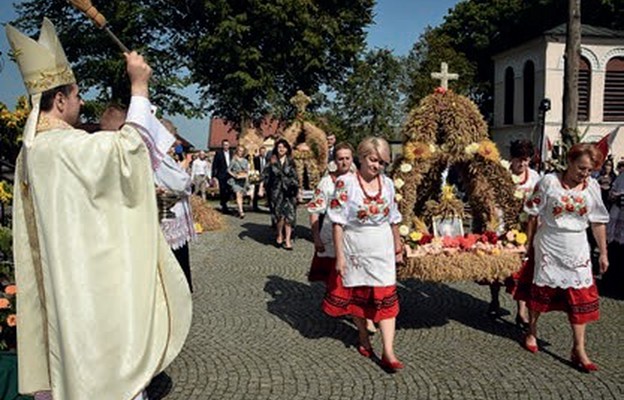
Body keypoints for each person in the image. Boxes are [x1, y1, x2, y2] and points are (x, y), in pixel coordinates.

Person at [6, 18, 191, 400]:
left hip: (65, 290)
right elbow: (127, 151)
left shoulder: (36, 151)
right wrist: (139, 86)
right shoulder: (62, 148)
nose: (82, 102)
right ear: (59, 100)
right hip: (85, 298)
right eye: (76, 96)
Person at [522, 143, 609, 372]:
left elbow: (598, 221)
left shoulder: (592, 187)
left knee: (579, 296)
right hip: (550, 241)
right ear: (569, 162)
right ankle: (532, 330)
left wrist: (603, 253)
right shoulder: (549, 182)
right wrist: (528, 244)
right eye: (581, 168)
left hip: (578, 244)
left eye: (589, 170)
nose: (585, 174)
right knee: (542, 290)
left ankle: (578, 348)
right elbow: (531, 214)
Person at [323, 137, 404, 372]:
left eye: (381, 162)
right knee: (358, 295)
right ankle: (363, 336)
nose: (377, 166)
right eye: (373, 160)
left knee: (386, 296)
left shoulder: (387, 184)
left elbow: (394, 217)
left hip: (381, 247)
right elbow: (337, 222)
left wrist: (397, 246)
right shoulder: (345, 183)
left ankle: (388, 351)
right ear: (362, 157)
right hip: (355, 247)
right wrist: (339, 257)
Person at [495, 140, 540, 325]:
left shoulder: (535, 177)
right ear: (511, 159)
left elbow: (538, 201)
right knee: (498, 268)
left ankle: (521, 311)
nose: (522, 164)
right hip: (503, 225)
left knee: (523, 269)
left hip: (524, 227)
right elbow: (495, 200)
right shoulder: (502, 175)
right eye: (519, 160)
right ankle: (494, 299)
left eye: (526, 160)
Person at [155, 119, 197, 292]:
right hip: (169, 213)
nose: (173, 144)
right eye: (171, 137)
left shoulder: (163, 155)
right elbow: (180, 183)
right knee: (175, 262)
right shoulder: (159, 157)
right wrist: (186, 177)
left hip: (173, 209)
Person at [265, 138, 299, 250]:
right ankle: (280, 234)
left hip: (289, 192)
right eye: (279, 147)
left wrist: (298, 191)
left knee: (289, 217)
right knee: (279, 216)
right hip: (276, 192)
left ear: (287, 149)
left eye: (283, 147)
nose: (281, 149)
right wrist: (259, 185)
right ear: (276, 148)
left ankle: (288, 240)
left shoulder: (291, 161)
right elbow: (265, 175)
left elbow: (296, 177)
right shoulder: (272, 160)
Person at [228, 145, 250, 218]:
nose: (240, 152)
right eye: (239, 151)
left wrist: (245, 174)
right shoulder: (234, 160)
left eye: (242, 151)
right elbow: (228, 170)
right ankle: (241, 211)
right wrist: (234, 175)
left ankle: (239, 208)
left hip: (243, 180)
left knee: (241, 195)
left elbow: (247, 170)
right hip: (235, 180)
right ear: (237, 151)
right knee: (238, 194)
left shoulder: (245, 161)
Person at [212, 139, 232, 213]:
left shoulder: (232, 153)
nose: (226, 146)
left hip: (230, 175)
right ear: (222, 146)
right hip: (222, 175)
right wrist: (213, 176)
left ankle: (224, 201)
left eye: (227, 145)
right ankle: (224, 206)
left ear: (229, 145)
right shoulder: (219, 153)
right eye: (224, 145)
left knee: (230, 190)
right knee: (223, 190)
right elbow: (215, 165)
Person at [252, 145, 268, 211]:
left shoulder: (267, 159)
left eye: (264, 152)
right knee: (256, 190)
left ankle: (268, 203)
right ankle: (255, 205)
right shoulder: (256, 159)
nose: (263, 153)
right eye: (261, 152)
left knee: (267, 190)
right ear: (259, 152)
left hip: (266, 177)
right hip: (258, 176)